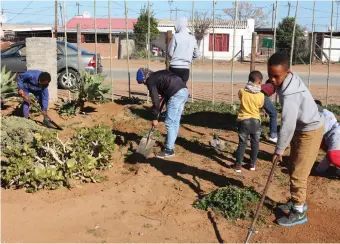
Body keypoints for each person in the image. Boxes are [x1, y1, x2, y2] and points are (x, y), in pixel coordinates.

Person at [269, 53, 324, 227]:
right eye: (270, 75)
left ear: (287, 72)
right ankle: (296, 201)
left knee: (299, 173)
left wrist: (279, 150)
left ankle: (299, 211)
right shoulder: (289, 80)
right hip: (302, 129)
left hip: (310, 131)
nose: (272, 79)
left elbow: (287, 126)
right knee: (293, 166)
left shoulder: (290, 93)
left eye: (276, 76)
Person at [136, 68, 189, 158]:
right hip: (184, 91)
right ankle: (171, 145)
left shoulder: (150, 81)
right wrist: (158, 110)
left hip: (175, 94)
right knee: (175, 121)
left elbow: (155, 101)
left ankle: (169, 150)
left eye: (143, 82)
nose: (145, 84)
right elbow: (165, 91)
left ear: (145, 77)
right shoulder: (159, 74)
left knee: (169, 123)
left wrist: (154, 118)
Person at [235, 70, 264, 173]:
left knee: (242, 143)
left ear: (249, 80)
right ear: (259, 82)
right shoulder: (261, 95)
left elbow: (240, 97)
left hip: (244, 120)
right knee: (255, 143)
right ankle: (252, 164)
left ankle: (238, 165)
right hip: (256, 121)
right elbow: (260, 106)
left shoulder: (242, 91)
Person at [168, 16, 199, 84]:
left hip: (174, 67)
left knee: (173, 88)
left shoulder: (175, 37)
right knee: (182, 87)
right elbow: (197, 54)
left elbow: (170, 52)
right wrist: (188, 58)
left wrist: (176, 57)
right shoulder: (192, 38)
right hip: (186, 69)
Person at [314, 100, 340, 176]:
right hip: (333, 135)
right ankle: (320, 169)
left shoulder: (325, 114)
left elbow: (322, 131)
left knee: (333, 155)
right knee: (330, 153)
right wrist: (319, 170)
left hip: (336, 134)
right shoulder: (322, 113)